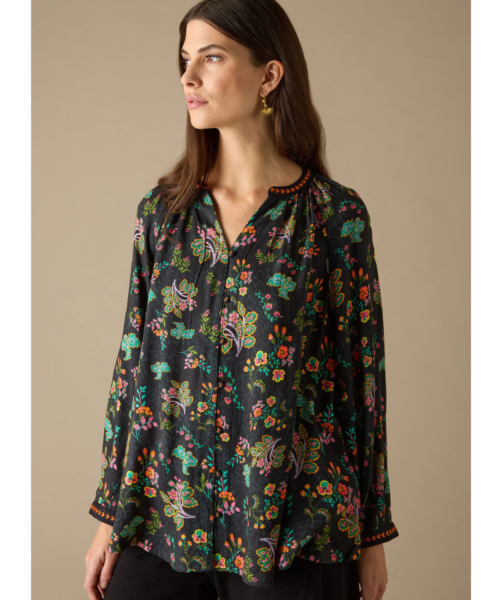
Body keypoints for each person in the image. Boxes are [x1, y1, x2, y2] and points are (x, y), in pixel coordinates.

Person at [84, 1, 399, 599]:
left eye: (211, 58)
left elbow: (363, 381)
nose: (188, 77)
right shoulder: (163, 215)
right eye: (184, 60)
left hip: (297, 527)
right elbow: (132, 371)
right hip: (164, 516)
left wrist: (372, 534)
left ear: (269, 75)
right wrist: (108, 517)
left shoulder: (333, 217)